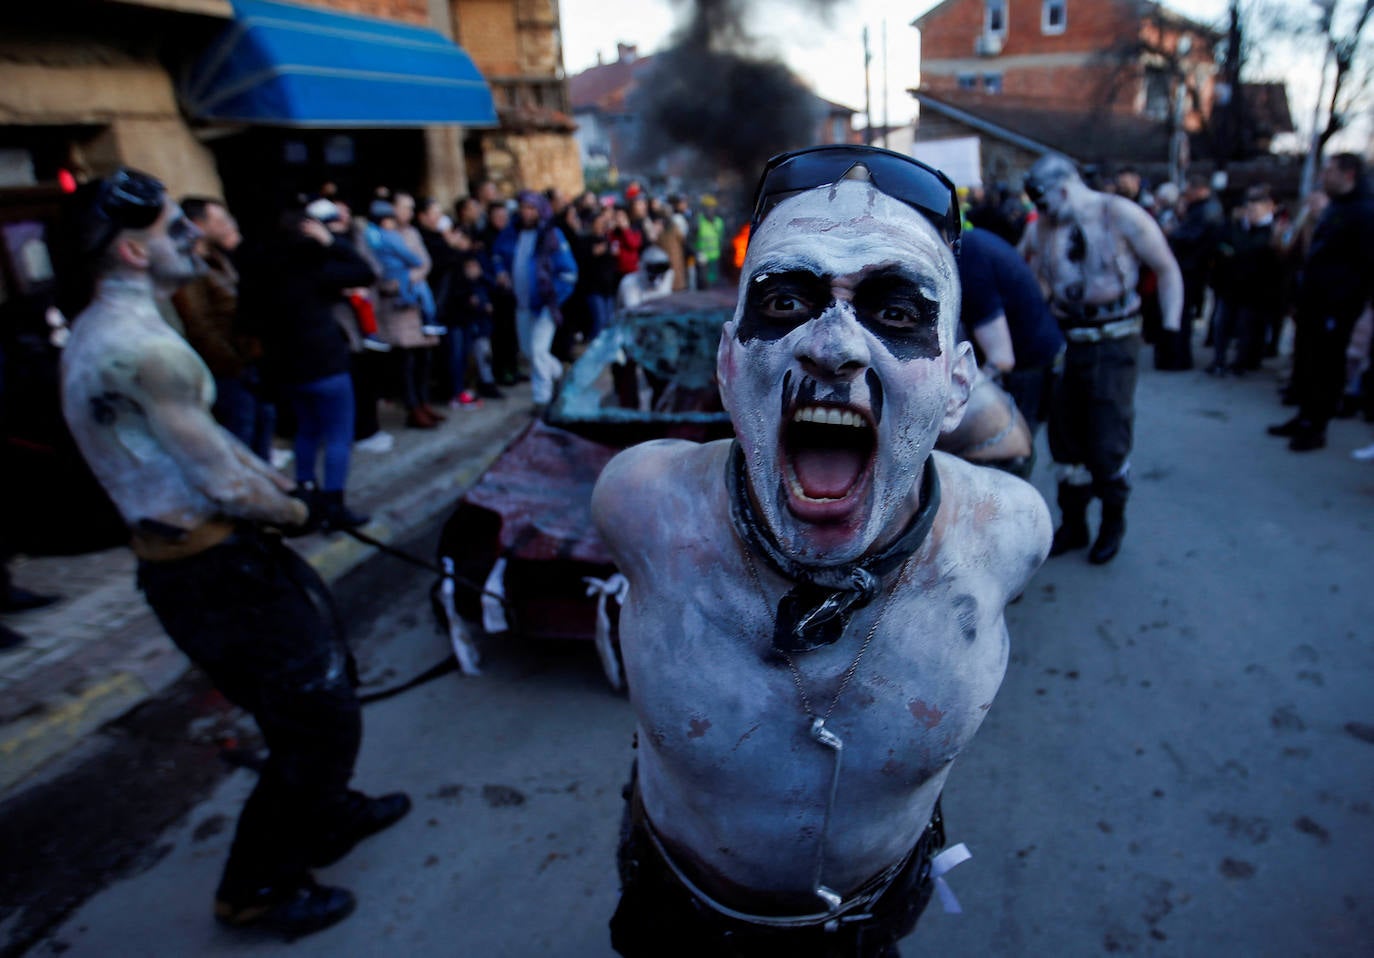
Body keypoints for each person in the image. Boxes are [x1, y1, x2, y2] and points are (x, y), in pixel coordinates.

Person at [593, 145, 1051, 957]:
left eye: (895, 312)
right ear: (731, 364)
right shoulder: (641, 506)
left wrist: (942, 392)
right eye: (786, 302)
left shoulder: (1008, 533)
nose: (832, 346)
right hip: (677, 904)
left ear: (955, 384)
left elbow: (1003, 438)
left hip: (871, 914)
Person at [58, 168, 409, 939]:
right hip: (214, 570)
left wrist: (283, 488)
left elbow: (204, 446)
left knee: (315, 699)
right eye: (167, 230)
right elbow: (218, 476)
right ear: (130, 250)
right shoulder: (146, 347)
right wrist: (292, 508)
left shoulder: (113, 331)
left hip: (207, 561)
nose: (185, 234)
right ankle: (256, 887)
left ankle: (324, 815)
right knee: (316, 718)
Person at [1020, 152, 1182, 564]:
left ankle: (1113, 522)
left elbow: (1166, 267)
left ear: (1063, 188)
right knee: (1066, 440)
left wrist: (1172, 324)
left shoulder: (1120, 214)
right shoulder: (1044, 228)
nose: (1041, 212)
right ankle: (1074, 525)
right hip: (1066, 339)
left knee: (1108, 438)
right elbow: (1029, 274)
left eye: (1044, 202)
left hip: (1114, 341)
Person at [249, 207, 375, 530]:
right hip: (324, 362)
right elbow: (364, 272)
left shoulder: (262, 269)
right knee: (337, 435)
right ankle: (333, 504)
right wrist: (332, 242)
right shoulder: (312, 267)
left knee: (307, 430)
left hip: (287, 366)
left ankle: (305, 495)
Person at [1268, 153, 1374, 452]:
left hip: (1336, 306)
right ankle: (1303, 416)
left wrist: (1344, 300)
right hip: (1313, 301)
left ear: (1348, 174)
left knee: (1326, 365)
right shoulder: (1336, 207)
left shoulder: (1364, 211)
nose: (1323, 176)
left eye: (1329, 171)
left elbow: (1364, 264)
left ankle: (1316, 426)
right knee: (1307, 360)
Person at [173, 197, 276, 461]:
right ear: (198, 225)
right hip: (227, 371)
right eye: (220, 220)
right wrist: (234, 364)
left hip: (242, 363)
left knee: (260, 427)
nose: (229, 225)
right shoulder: (189, 268)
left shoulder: (217, 259)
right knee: (240, 441)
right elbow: (200, 326)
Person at [957, 226, 1064, 438]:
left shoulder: (969, 259)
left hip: (1028, 366)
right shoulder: (970, 244)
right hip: (1038, 353)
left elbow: (1001, 359)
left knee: (1007, 449)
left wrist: (958, 396)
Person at [491, 190, 579, 412]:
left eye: (531, 208)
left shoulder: (552, 235)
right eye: (523, 208)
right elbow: (497, 255)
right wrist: (500, 272)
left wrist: (553, 297)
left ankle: (543, 400)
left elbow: (569, 273)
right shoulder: (511, 233)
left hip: (545, 306)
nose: (526, 212)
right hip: (521, 303)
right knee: (529, 352)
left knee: (539, 350)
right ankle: (558, 372)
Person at [693, 195, 725, 287]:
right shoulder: (698, 221)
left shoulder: (719, 222)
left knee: (714, 283)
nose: (710, 210)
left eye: (712, 207)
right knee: (704, 284)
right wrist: (696, 252)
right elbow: (691, 239)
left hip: (715, 258)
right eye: (708, 208)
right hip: (703, 259)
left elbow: (722, 238)